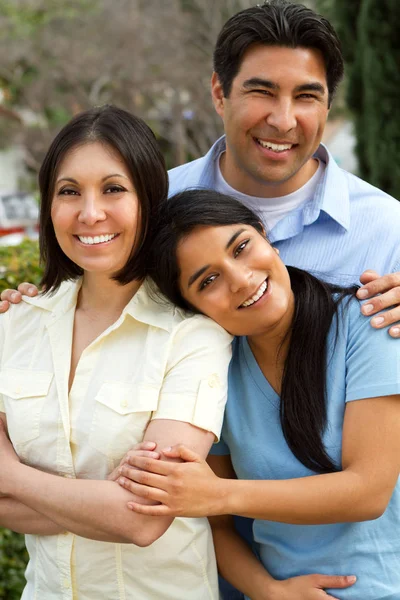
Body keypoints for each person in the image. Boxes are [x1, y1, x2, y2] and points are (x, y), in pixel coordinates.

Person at [115, 189, 400, 600]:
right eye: (208, 280)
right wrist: (269, 590)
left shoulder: (368, 322)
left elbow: (368, 491)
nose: (241, 279)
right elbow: (217, 529)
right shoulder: (215, 372)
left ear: (266, 235)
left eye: (242, 247)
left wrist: (216, 495)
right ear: (193, 308)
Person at [0, 105, 233, 599]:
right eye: (69, 192)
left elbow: (144, 519)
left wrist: (10, 477)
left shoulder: (192, 336)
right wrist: (94, 503)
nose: (90, 213)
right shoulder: (16, 322)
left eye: (113, 189)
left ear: (148, 199)